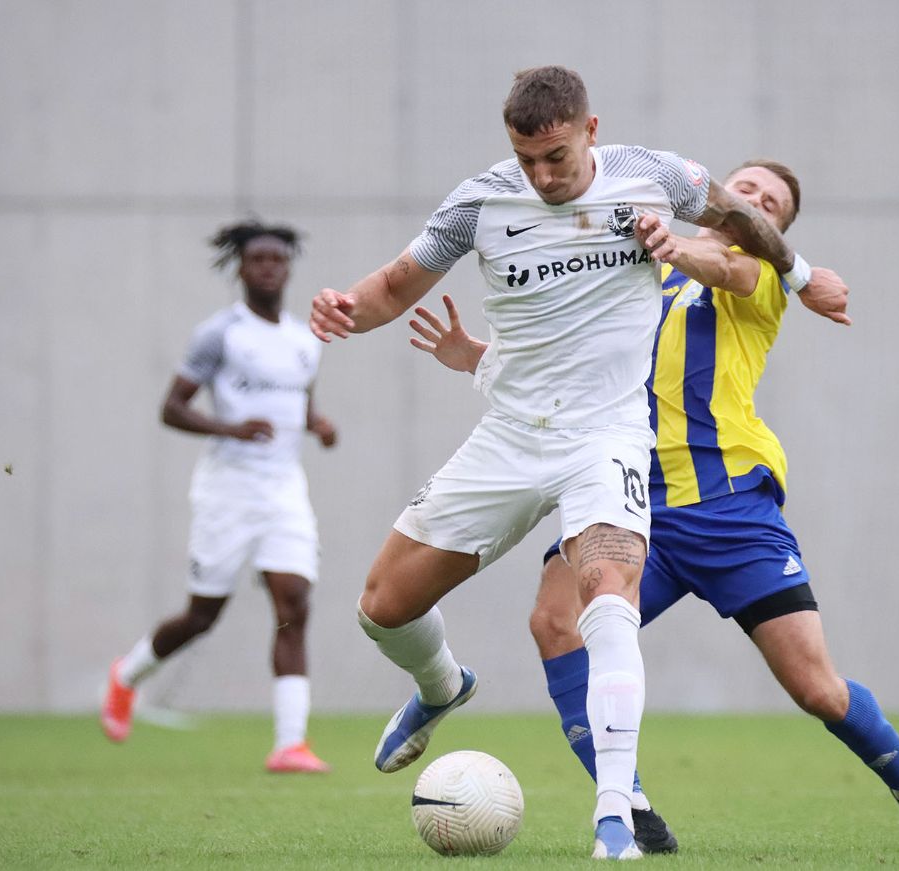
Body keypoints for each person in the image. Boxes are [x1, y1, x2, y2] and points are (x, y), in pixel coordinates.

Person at [309, 65, 844, 860]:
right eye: (526, 159)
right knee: (381, 606)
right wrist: (347, 309)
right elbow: (393, 285)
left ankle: (615, 819)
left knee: (607, 595)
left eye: (555, 156)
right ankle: (442, 685)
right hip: (510, 436)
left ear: (591, 131)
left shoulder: (654, 176)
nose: (542, 175)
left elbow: (738, 217)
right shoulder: (480, 203)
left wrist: (800, 277)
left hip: (607, 437)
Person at [408, 159, 899, 853]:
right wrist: (480, 358)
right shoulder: (637, 272)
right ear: (721, 195)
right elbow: (571, 365)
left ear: (774, 228)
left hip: (730, 512)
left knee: (816, 688)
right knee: (554, 621)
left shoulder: (760, 274)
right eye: (745, 188)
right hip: (631, 496)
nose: (755, 200)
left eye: (771, 203)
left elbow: (726, 268)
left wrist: (671, 243)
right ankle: (633, 809)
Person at [100, 219, 338, 775]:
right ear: (240, 268)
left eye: (278, 259)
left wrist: (319, 425)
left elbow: (299, 406)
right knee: (203, 615)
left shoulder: (305, 341)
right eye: (257, 259)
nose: (268, 268)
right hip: (227, 490)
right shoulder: (220, 334)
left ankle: (290, 744)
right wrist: (231, 429)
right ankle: (127, 676)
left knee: (294, 604)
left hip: (284, 489)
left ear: (289, 268)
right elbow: (171, 408)